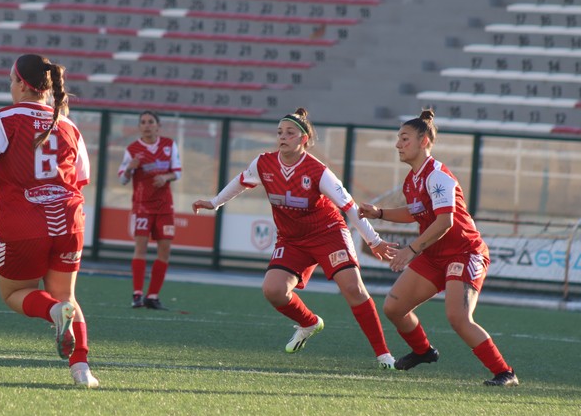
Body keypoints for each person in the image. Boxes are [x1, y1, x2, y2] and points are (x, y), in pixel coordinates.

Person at [0, 53, 99, 388]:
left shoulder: (3, 118)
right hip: (70, 221)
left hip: (25, 221)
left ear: (23, 85)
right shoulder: (68, 124)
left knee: (15, 293)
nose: (10, 87)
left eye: (11, 81)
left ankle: (51, 313)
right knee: (67, 296)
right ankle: (82, 370)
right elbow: (81, 179)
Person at [192, 108, 397, 369]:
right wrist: (214, 202)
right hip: (292, 240)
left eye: (290, 133)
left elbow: (348, 207)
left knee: (354, 289)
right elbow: (241, 180)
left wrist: (374, 240)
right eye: (279, 132)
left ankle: (383, 356)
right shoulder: (264, 163)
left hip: (328, 234)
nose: (282, 137)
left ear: (304, 139)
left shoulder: (318, 171)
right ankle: (309, 322)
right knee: (274, 290)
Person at [359, 109, 518, 386]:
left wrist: (411, 250)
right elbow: (415, 212)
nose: (398, 144)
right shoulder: (413, 179)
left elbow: (445, 220)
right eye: (398, 138)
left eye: (405, 138)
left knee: (458, 317)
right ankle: (423, 351)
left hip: (464, 252)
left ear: (424, 141)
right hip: (434, 254)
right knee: (394, 307)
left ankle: (505, 372)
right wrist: (380, 213)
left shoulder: (437, 176)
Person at [117, 110, 182, 310]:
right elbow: (122, 179)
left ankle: (152, 296)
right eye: (143, 122)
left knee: (165, 250)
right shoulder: (132, 150)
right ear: (139, 126)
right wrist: (130, 169)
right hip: (142, 205)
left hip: (164, 206)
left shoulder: (169, 145)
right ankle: (137, 294)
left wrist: (165, 177)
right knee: (141, 247)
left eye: (150, 121)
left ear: (158, 125)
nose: (146, 125)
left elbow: (177, 172)